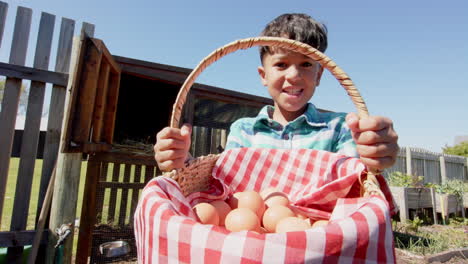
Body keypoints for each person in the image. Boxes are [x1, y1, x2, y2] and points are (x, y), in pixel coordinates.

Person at [154, 13, 399, 172]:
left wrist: (373, 159)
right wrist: (181, 162)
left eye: (306, 64)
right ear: (264, 76)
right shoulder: (245, 131)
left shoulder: (340, 129)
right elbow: (223, 182)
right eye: (281, 64)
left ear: (320, 75)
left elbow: (357, 180)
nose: (293, 75)